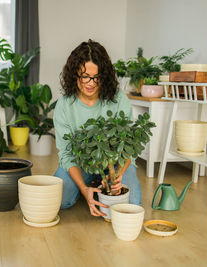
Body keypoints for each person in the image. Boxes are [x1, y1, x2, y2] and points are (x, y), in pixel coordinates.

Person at [53, 39, 141, 217]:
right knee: (59, 200)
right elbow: (66, 154)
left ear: (104, 76)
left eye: (96, 77)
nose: (91, 83)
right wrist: (83, 189)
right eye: (85, 76)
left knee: (132, 205)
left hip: (114, 164)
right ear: (74, 75)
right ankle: (89, 188)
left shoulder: (119, 100)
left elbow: (128, 147)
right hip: (80, 164)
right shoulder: (64, 105)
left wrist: (118, 176)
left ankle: (100, 187)